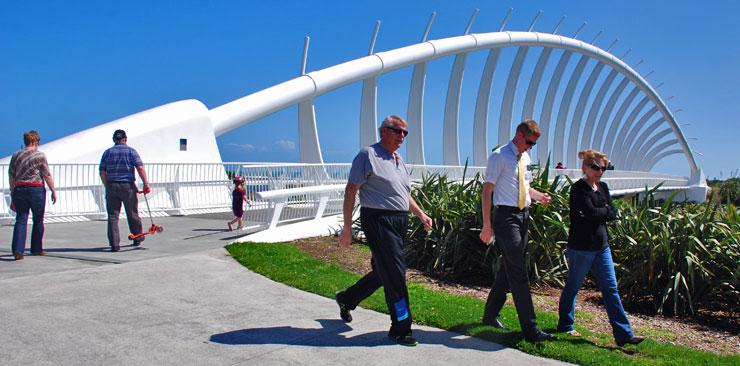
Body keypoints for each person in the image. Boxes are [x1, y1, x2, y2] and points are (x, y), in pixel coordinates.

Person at [335, 115, 433, 347]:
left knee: (384, 271)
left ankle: (347, 298)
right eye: (397, 131)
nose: (402, 136)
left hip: (400, 221)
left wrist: (420, 214)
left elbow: (403, 193)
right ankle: (400, 328)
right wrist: (347, 227)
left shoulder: (397, 159)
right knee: (396, 275)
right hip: (378, 220)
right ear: (384, 131)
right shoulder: (367, 155)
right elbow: (351, 191)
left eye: (405, 133)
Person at [556, 149, 645, 347]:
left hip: (601, 247)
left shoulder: (603, 187)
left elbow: (612, 213)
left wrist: (603, 211)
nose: (599, 171)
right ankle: (565, 324)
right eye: (595, 167)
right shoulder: (578, 189)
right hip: (581, 247)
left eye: (602, 168)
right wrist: (604, 210)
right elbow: (591, 213)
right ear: (585, 167)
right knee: (574, 286)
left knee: (611, 288)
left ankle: (624, 334)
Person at [478, 119, 555, 342]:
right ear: (520, 135)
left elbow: (524, 186)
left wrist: (539, 197)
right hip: (506, 218)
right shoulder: (499, 156)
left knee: (509, 267)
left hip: (523, 216)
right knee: (518, 270)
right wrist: (487, 225)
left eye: (534, 144)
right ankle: (530, 328)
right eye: (529, 142)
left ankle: (490, 314)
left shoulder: (525, 156)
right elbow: (487, 192)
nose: (531, 147)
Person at [8, 130, 57, 260]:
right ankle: (36, 248)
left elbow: (12, 175)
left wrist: (13, 190)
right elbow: (46, 174)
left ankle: (18, 251)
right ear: (35, 141)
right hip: (36, 190)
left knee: (21, 219)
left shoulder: (16, 155)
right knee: (38, 219)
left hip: (20, 189)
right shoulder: (39, 155)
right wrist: (53, 190)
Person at [99, 129, 150, 252]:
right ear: (125, 139)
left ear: (114, 140)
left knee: (113, 216)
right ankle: (137, 237)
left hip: (112, 185)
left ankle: (114, 244)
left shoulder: (107, 153)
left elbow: (102, 171)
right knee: (132, 213)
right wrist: (145, 184)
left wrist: (107, 186)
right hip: (127, 186)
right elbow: (140, 168)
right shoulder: (131, 151)